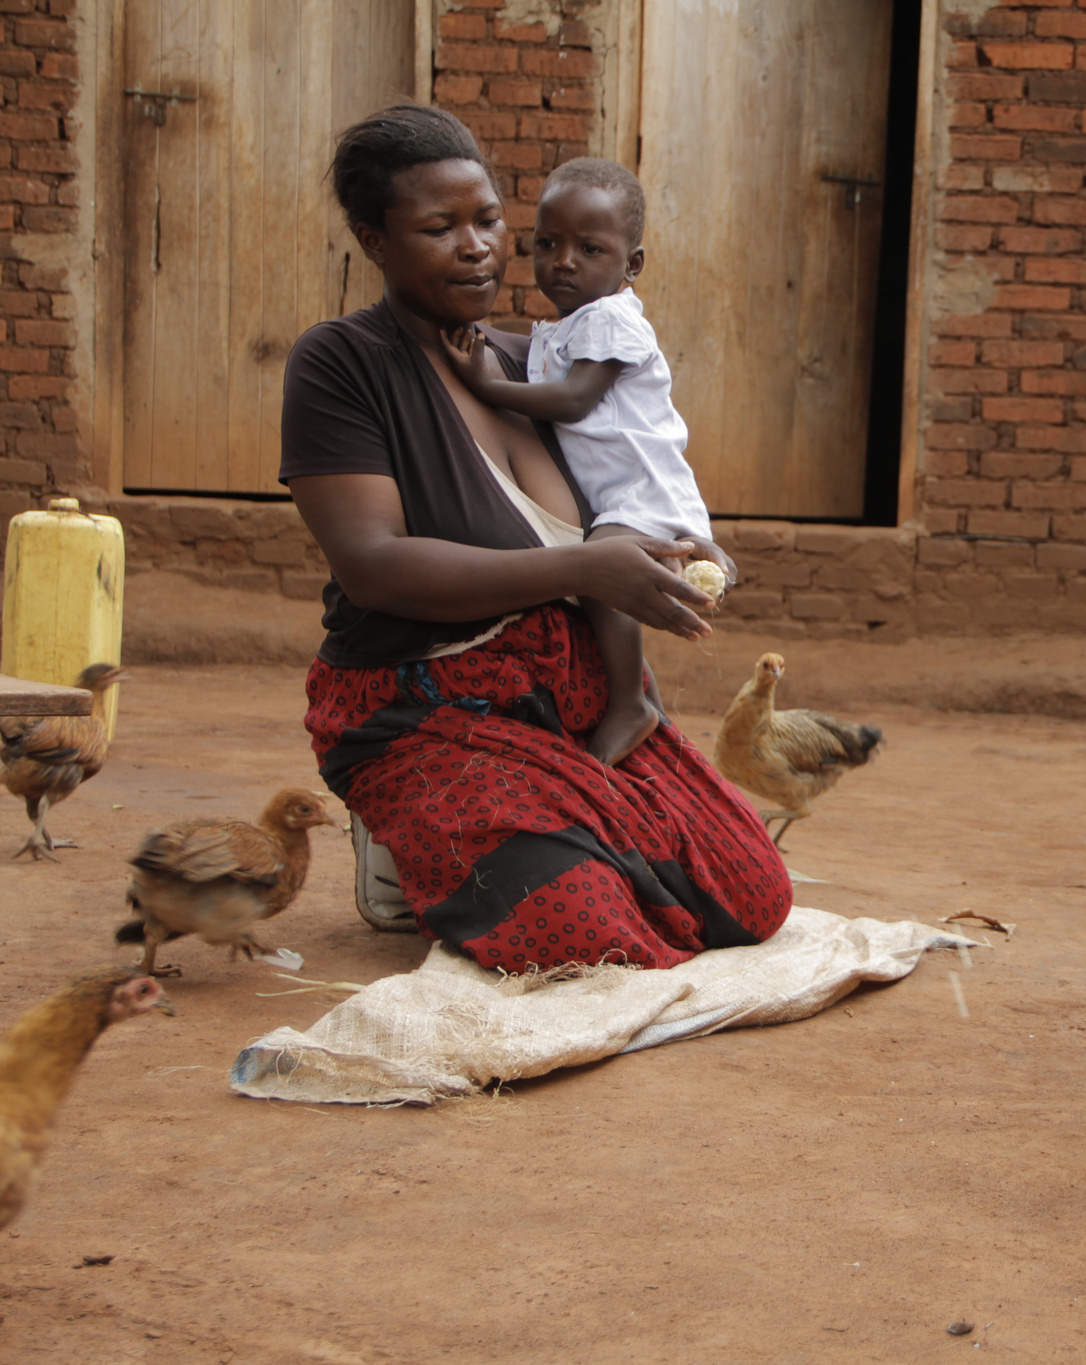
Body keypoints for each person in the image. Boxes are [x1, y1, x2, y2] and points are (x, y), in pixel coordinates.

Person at [278, 104, 791, 973]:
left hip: (571, 702)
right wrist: (588, 563)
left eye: (486, 220)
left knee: (752, 891)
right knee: (580, 937)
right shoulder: (342, 363)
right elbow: (371, 566)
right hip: (426, 705)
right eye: (439, 228)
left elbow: (639, 464)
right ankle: (406, 834)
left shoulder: (534, 365)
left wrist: (672, 552)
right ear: (374, 240)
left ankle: (523, 845)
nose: (477, 245)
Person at [439, 156, 726, 766]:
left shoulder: (610, 320)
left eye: (589, 248)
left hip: (637, 492)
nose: (564, 261)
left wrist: (483, 384)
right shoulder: (571, 326)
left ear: (632, 265)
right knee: (602, 580)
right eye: (548, 243)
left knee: (602, 571)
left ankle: (630, 701)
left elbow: (572, 401)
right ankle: (638, 693)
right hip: (627, 489)